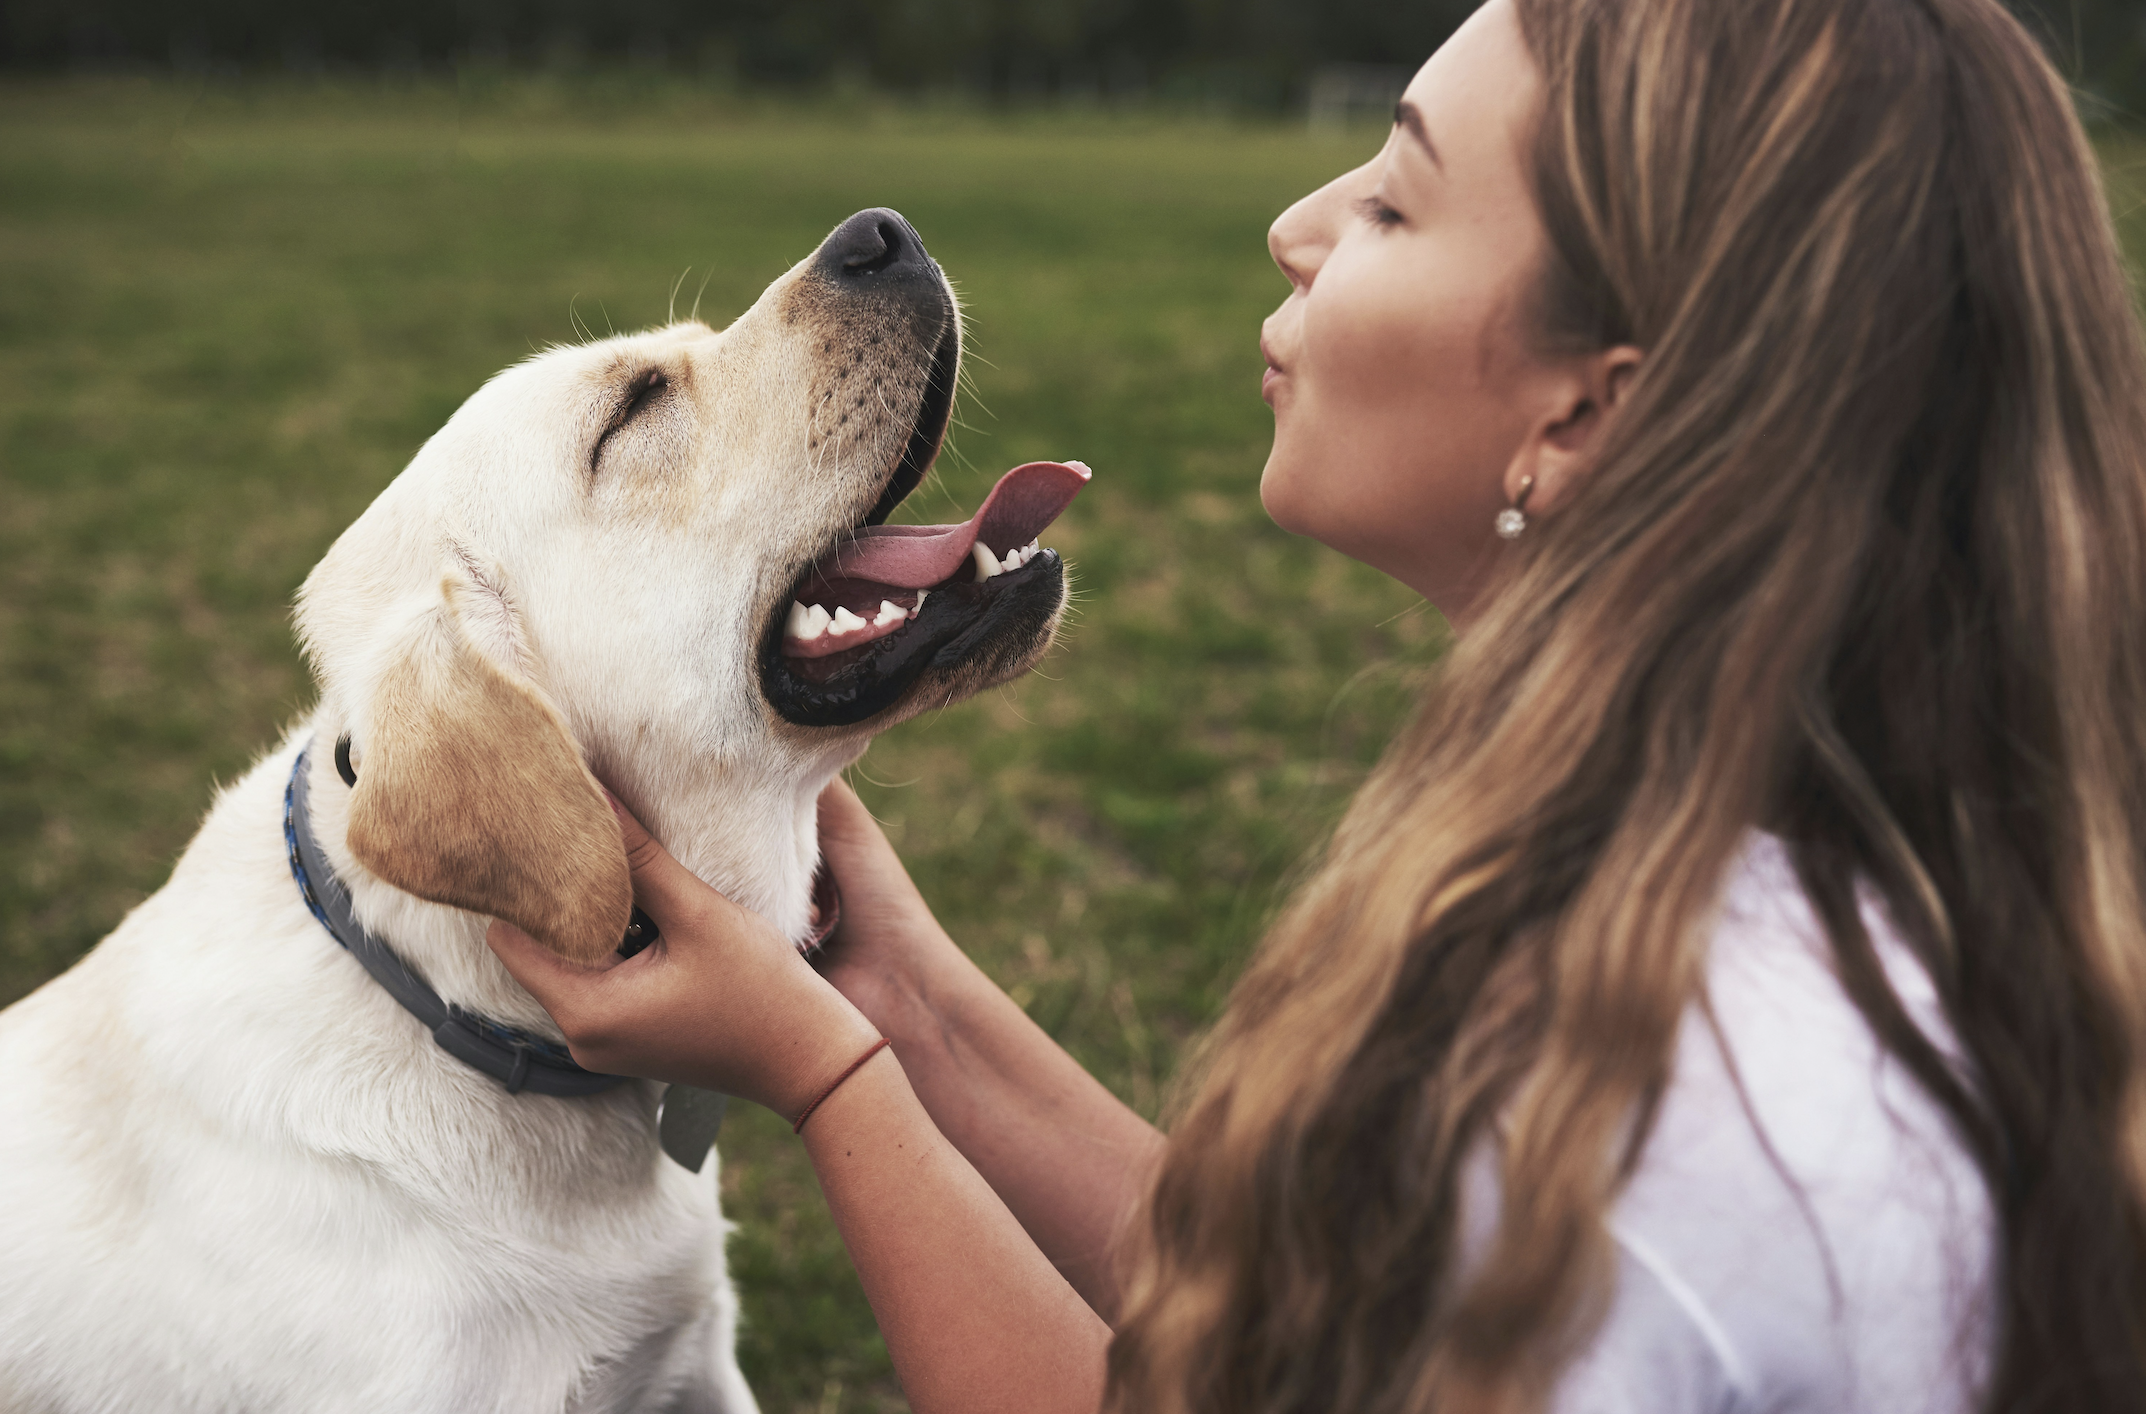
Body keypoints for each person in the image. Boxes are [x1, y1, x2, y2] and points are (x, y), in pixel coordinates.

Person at [485, 0, 2146, 1407]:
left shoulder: (1661, 1110)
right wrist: (906, 1009)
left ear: (1584, 417)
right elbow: (1310, 1331)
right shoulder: (1783, 888)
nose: (1296, 220)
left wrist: (829, 1081)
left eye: (1397, 207)